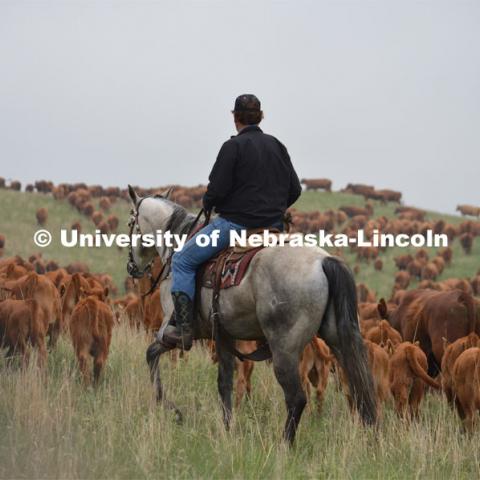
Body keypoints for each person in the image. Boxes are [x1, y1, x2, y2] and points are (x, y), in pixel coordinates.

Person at [162, 94, 302, 350]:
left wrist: (209, 202)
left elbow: (216, 190)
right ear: (260, 116)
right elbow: (295, 189)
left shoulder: (233, 147)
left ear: (235, 117)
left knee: (181, 260)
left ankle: (183, 328)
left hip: (234, 227)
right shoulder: (277, 146)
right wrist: (275, 209)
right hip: (273, 228)